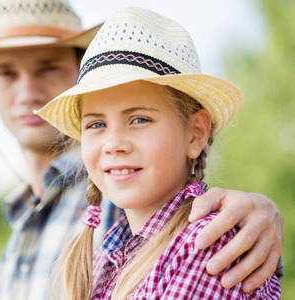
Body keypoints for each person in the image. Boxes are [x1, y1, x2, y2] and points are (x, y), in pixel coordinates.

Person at [0, 0, 284, 299]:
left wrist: (261, 212)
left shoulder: (194, 235)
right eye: (97, 124)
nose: (28, 91)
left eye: (139, 119)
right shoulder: (77, 240)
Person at [37, 7, 281, 299]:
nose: (114, 143)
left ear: (196, 133)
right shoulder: (106, 256)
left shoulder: (204, 246)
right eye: (97, 124)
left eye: (139, 119)